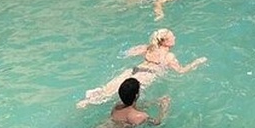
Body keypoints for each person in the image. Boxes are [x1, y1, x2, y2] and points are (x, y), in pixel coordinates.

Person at [76, 28, 207, 108]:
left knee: (109, 89)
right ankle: (91, 102)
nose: (175, 37)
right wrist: (196, 62)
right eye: (172, 36)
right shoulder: (169, 56)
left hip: (134, 70)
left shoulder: (148, 47)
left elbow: (127, 53)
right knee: (122, 95)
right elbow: (181, 71)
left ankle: (86, 101)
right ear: (165, 42)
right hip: (146, 76)